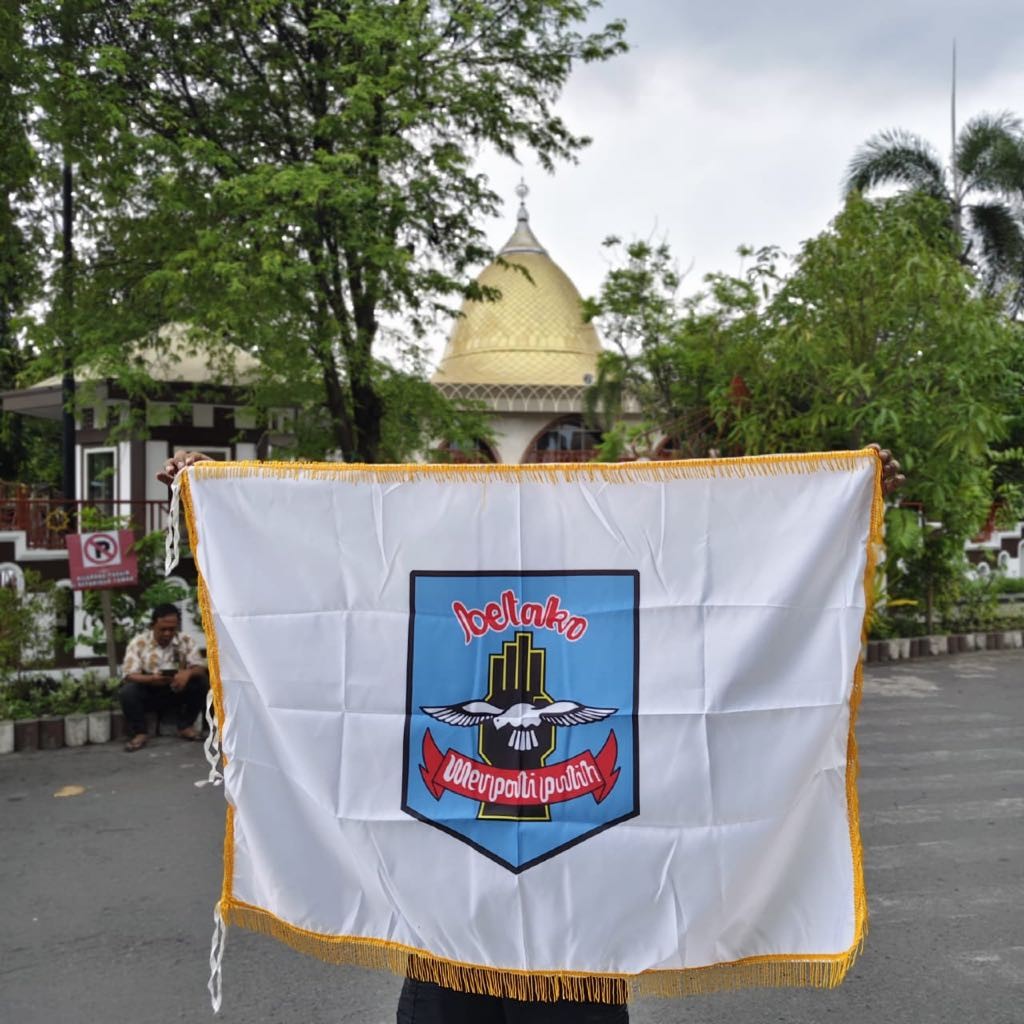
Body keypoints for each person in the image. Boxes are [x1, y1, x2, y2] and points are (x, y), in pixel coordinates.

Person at [158, 446, 904, 1022]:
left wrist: (846, 499)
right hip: (448, 911)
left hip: (581, 916)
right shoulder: (415, 570)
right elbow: (317, 584)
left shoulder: (625, 564)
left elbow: (728, 582)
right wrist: (212, 501)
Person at [120, 602, 209, 752]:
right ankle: (140, 733)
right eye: (163, 629)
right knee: (128, 691)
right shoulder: (139, 643)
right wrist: (152, 679)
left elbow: (200, 667)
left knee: (201, 681)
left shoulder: (185, 640)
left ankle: (186, 726)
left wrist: (187, 673)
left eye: (172, 629)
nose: (167, 633)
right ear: (152, 625)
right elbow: (129, 675)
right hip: (150, 690)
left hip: (177, 689)